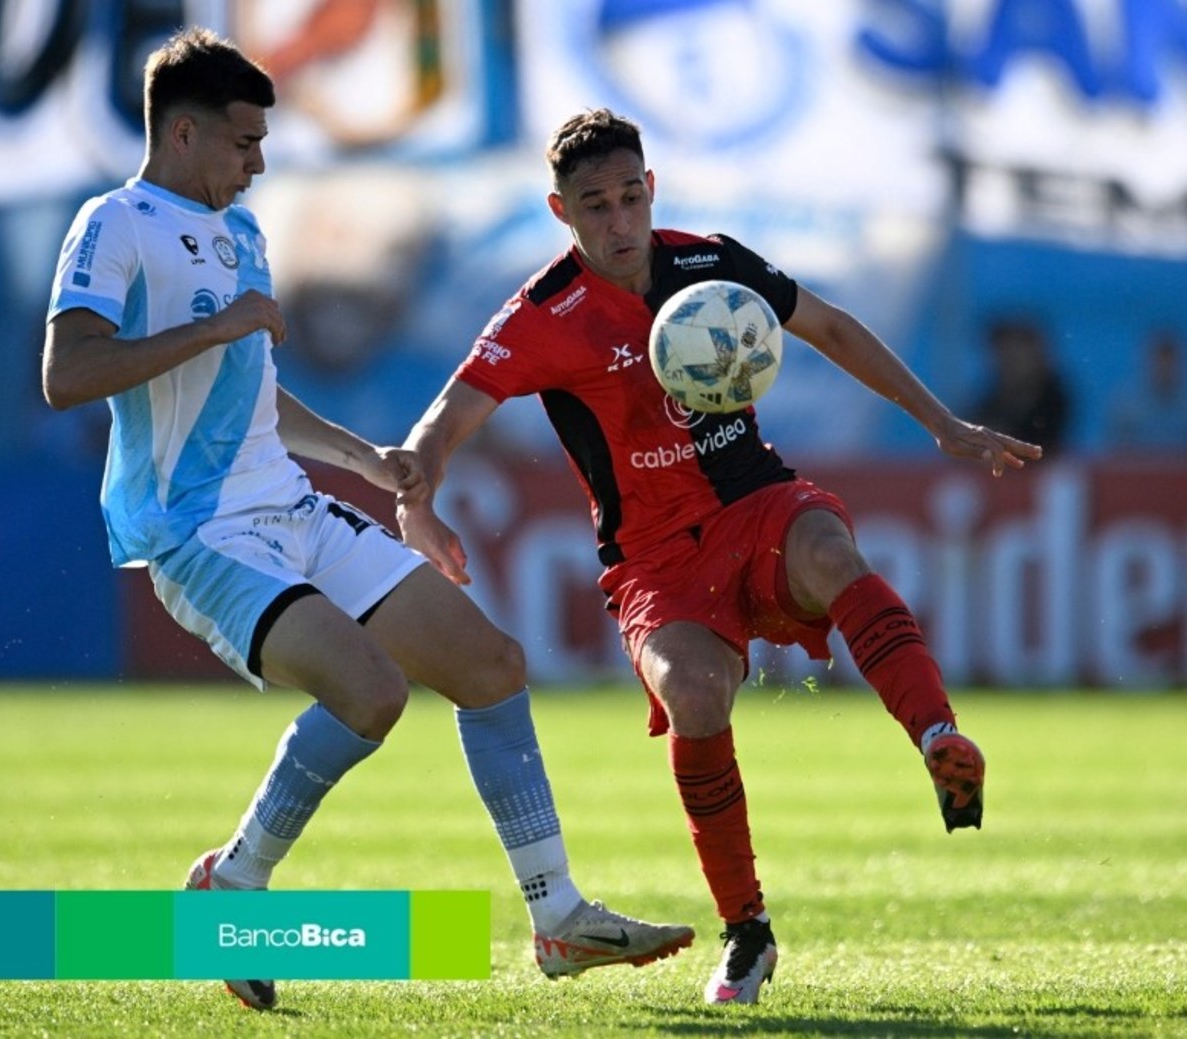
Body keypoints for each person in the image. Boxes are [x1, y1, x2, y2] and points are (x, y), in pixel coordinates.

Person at [42, 34, 692, 1011]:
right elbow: (68, 375)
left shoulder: (241, 234)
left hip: (292, 508)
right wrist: (217, 327)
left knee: (490, 666)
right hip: (195, 531)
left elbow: (251, 396)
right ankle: (235, 882)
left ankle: (555, 913)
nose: (258, 163)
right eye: (242, 142)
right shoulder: (114, 224)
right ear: (181, 133)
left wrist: (364, 459)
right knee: (373, 694)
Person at [397, 108, 1043, 1006]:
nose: (619, 222)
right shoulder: (543, 314)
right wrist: (417, 485)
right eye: (596, 206)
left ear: (651, 189)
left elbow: (832, 327)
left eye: (630, 197)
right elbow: (447, 418)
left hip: (754, 501)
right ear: (560, 211)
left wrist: (943, 425)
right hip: (653, 558)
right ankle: (747, 932)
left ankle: (939, 737)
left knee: (828, 549)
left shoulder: (707, 262)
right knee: (695, 697)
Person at [970, 316, 1071, 455]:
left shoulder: (1055, 400)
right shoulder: (991, 399)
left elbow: (1040, 444)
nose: (1006, 363)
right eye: (1003, 356)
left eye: (1014, 356)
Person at [1106, 330, 1187, 456]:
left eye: (1170, 363)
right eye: (1160, 362)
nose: (1165, 369)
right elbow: (1114, 454)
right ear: (1148, 363)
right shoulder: (1126, 408)